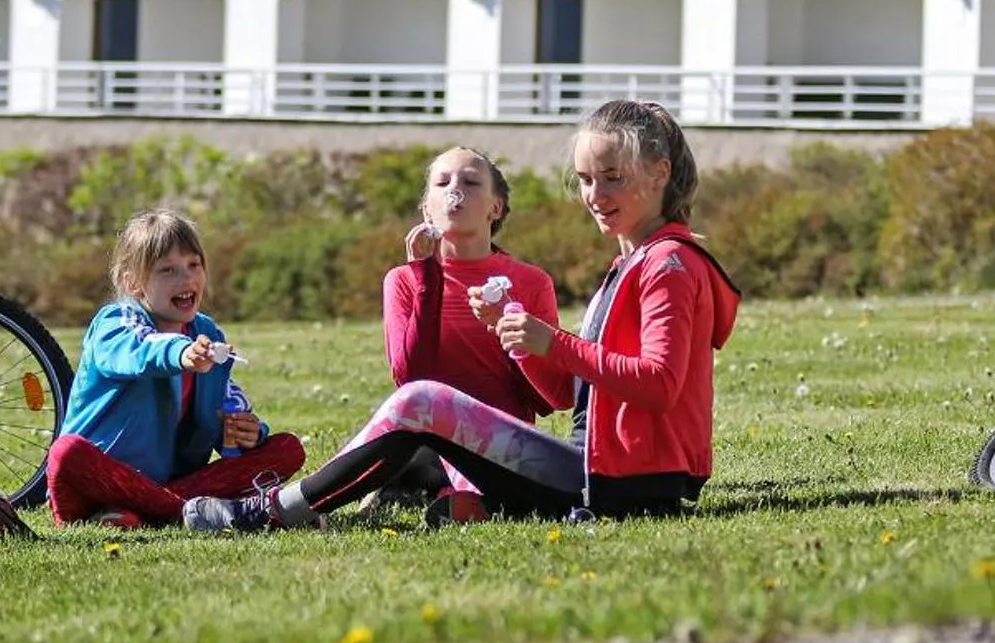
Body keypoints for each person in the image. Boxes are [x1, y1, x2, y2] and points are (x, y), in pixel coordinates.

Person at [185, 102, 737, 531]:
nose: (595, 194)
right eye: (587, 179)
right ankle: (315, 502)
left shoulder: (667, 266)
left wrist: (553, 343)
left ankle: (272, 511)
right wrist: (520, 338)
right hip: (605, 467)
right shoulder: (639, 259)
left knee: (421, 403)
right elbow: (568, 394)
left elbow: (659, 385)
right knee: (421, 402)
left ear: (660, 173)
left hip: (625, 482)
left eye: (612, 177)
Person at [43, 209, 306, 527]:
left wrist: (248, 434)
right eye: (167, 270)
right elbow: (139, 349)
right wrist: (181, 354)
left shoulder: (206, 333)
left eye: (194, 265)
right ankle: (190, 512)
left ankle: (148, 512)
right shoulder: (115, 323)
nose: (186, 278)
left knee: (287, 450)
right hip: (93, 485)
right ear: (134, 284)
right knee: (66, 452)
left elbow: (223, 403)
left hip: (169, 483)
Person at [364, 147, 561, 503]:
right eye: (442, 183)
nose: (455, 191)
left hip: (500, 445)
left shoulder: (532, 282)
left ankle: (429, 490)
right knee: (414, 449)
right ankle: (432, 489)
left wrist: (510, 333)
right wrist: (427, 282)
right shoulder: (404, 281)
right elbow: (410, 378)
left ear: (495, 208)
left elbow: (548, 400)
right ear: (427, 209)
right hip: (426, 439)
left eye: (471, 182)